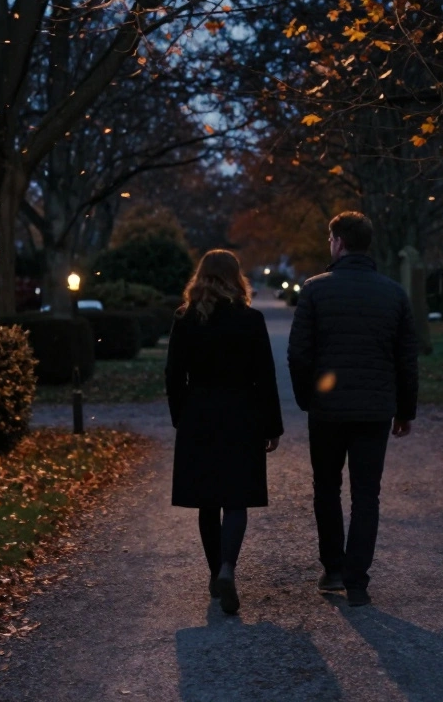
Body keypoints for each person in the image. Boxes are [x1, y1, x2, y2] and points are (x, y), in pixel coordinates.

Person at [287, 211, 418, 608]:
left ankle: (333, 568)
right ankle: (357, 580)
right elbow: (406, 359)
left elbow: (298, 354)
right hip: (374, 411)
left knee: (326, 487)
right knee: (366, 494)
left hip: (327, 411)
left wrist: (307, 398)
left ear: (339, 242)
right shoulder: (393, 294)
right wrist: (405, 410)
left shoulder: (315, 290)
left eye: (331, 240)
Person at [166, 249, 284, 615]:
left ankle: (215, 571)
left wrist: (180, 416)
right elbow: (265, 376)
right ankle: (228, 568)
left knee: (207, 500)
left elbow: (173, 374)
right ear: (236, 278)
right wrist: (272, 426)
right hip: (241, 414)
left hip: (199, 414)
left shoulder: (186, 319)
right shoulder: (250, 320)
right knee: (236, 498)